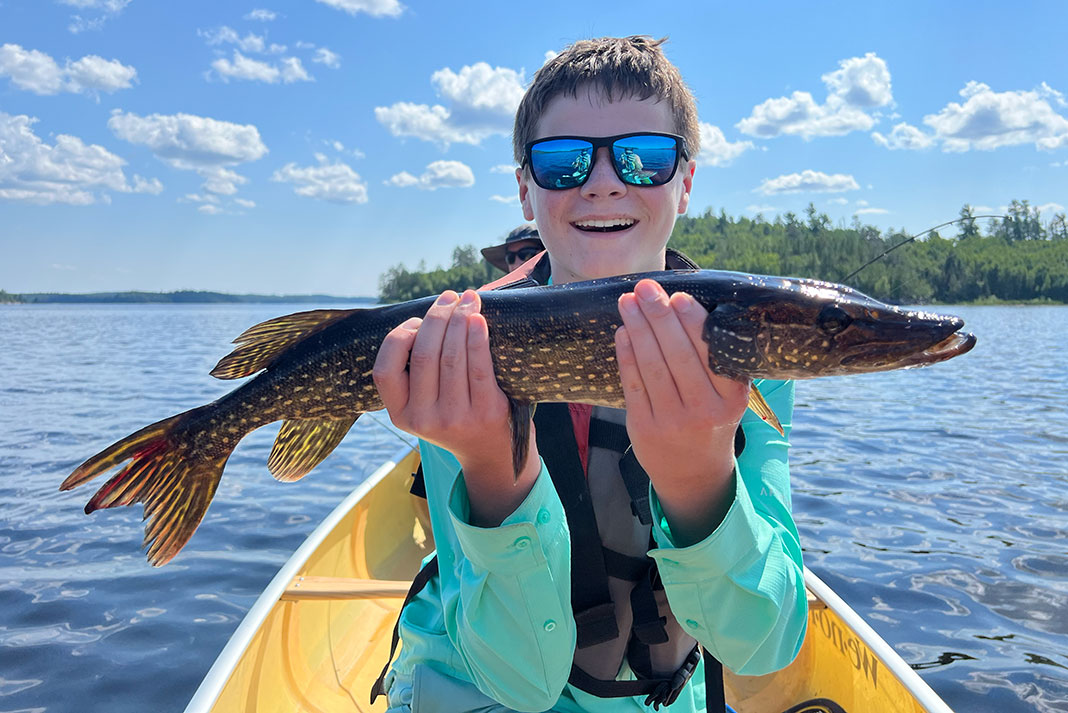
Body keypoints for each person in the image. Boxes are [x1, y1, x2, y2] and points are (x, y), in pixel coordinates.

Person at [372, 36, 807, 713]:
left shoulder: (738, 350)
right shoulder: (466, 348)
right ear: (525, 189)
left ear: (684, 181)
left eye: (644, 157)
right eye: (564, 161)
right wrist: (493, 468)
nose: (603, 181)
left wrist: (700, 481)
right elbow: (521, 682)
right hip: (475, 689)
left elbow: (763, 645)